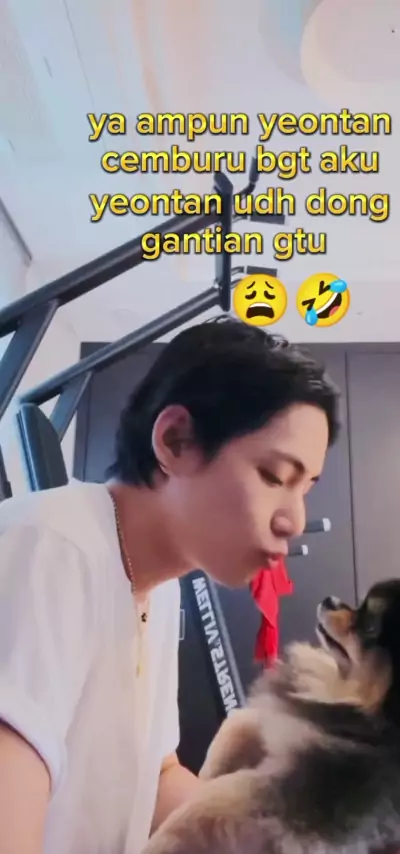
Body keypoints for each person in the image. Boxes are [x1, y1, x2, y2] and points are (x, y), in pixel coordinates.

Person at [0, 315, 340, 854]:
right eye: (275, 476)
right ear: (175, 440)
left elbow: (156, 777)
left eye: (305, 489)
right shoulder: (51, 546)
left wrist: (298, 841)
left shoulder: (159, 591)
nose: (294, 520)